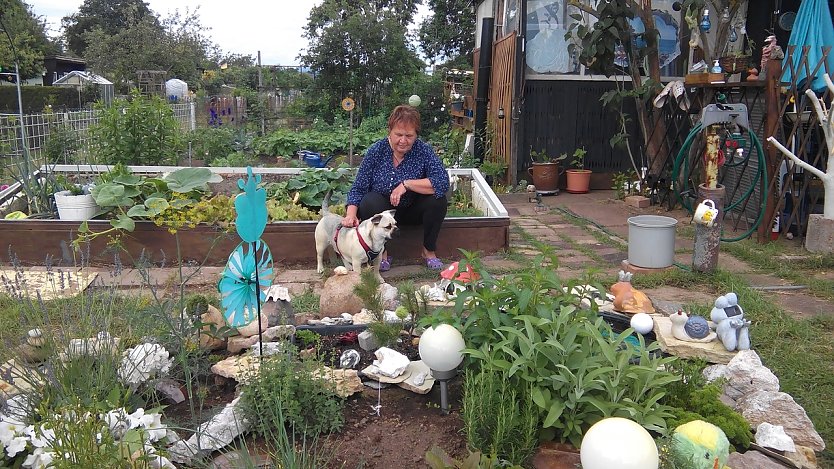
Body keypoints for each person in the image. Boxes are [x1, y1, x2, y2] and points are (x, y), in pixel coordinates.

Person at [342, 105, 449, 271]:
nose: (403, 140)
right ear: (389, 132)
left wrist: (407, 184)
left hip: (412, 210)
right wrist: (350, 215)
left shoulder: (423, 151)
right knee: (370, 201)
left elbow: (441, 182)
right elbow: (358, 188)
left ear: (416, 135)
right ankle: (381, 254)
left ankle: (428, 251)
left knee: (438, 200)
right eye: (398, 134)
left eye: (409, 136)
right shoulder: (376, 151)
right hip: (383, 214)